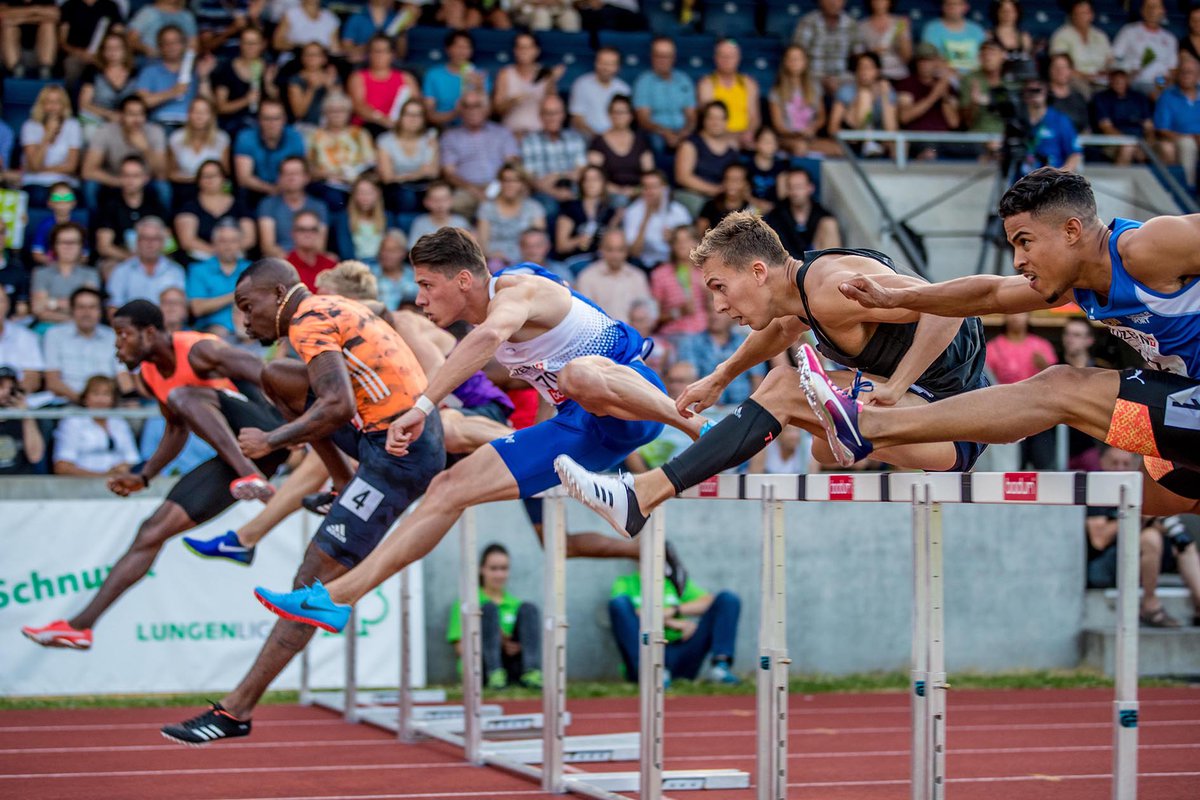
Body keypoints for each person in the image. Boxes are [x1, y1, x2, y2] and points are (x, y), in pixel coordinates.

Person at [252, 226, 706, 633]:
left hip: (634, 399)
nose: (422, 298)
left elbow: (488, 338)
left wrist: (422, 405)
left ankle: (699, 427)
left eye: (428, 286)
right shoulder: (480, 324)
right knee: (448, 488)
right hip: (582, 426)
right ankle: (338, 598)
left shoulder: (517, 290)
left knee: (577, 376)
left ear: (463, 280)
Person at [555, 211, 989, 538]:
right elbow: (781, 329)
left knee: (784, 387)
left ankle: (643, 494)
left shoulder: (831, 287)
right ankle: (646, 491)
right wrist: (720, 377)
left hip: (955, 419)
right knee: (821, 445)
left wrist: (894, 387)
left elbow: (945, 305)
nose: (720, 307)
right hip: (927, 406)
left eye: (720, 287)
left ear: (758, 272)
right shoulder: (801, 295)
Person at [160, 257, 444, 743]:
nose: (244, 322)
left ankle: (234, 712)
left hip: (399, 455)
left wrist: (272, 443)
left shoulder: (310, 318)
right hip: (387, 438)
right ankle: (340, 482)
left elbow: (338, 406)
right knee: (276, 377)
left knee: (307, 585)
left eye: (248, 308)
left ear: (279, 294)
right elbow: (332, 400)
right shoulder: (326, 309)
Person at [819, 167, 1200, 517]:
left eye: (1025, 242)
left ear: (1071, 231)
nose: (1018, 260)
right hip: (1186, 405)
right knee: (1159, 497)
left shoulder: (1147, 247)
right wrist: (896, 298)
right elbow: (991, 294)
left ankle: (873, 427)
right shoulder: (1075, 282)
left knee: (1060, 387)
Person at [20, 300, 284, 650]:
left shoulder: (198, 348)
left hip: (266, 433)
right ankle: (80, 626)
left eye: (123, 334)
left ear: (149, 332)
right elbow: (176, 430)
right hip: (239, 458)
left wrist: (297, 432)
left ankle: (250, 476)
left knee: (185, 394)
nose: (117, 344)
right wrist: (145, 476)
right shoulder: (150, 374)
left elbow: (266, 374)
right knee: (151, 531)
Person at [1085, 446, 1200, 629]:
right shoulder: (1097, 488)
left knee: (1184, 544)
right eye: (1114, 463)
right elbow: (1099, 540)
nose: (1120, 469)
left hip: (1145, 557)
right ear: (1102, 463)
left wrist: (1158, 520)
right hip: (1106, 563)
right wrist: (1136, 516)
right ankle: (1150, 605)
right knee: (1150, 539)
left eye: (1125, 463)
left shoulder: (1142, 490)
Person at [608, 550, 741, 685]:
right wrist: (674, 623)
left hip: (681, 650)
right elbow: (623, 613)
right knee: (619, 604)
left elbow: (708, 601)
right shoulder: (625, 583)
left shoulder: (674, 583)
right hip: (647, 649)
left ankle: (720, 667)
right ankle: (650, 671)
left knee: (727, 599)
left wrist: (675, 610)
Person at [447, 543, 542, 690]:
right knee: (488, 609)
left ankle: (531, 673)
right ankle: (494, 674)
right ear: (482, 569)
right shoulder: (466, 603)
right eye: (493, 569)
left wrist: (517, 648)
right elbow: (460, 649)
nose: (499, 575)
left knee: (529, 609)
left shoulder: (515, 604)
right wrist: (494, 641)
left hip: (511, 666)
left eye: (504, 569)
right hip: (481, 667)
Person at [986, 312, 1058, 468]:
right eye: (1012, 313)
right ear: (1004, 317)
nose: (1016, 317)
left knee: (1044, 466)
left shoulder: (1041, 345)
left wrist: (1044, 366)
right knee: (1010, 467)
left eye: (1022, 313)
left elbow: (1057, 381)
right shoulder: (992, 348)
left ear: (1029, 316)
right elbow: (986, 382)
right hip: (1006, 414)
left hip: (1039, 414)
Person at [42, 287, 130, 404]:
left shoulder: (113, 336)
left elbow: (123, 376)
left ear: (100, 311)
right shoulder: (54, 335)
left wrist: (130, 400)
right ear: (72, 310)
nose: (86, 313)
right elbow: (52, 381)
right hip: (67, 403)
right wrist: (84, 401)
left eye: (92, 307)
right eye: (81, 307)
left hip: (106, 404)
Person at [439, 91, 519, 217]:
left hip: (500, 185)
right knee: (453, 204)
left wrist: (496, 188)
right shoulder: (450, 137)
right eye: (467, 106)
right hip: (466, 188)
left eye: (477, 105)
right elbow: (449, 173)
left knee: (515, 197)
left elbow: (512, 165)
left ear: (486, 109)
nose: (472, 110)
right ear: (461, 110)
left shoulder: (502, 133)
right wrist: (473, 190)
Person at [82, 96, 168, 210]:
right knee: (91, 186)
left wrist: (146, 149)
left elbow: (161, 174)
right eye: (131, 114)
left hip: (144, 181)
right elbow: (88, 171)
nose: (136, 119)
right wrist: (121, 182)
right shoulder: (105, 131)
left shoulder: (155, 132)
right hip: (113, 179)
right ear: (121, 116)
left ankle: (163, 223)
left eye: (140, 114)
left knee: (163, 188)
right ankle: (94, 223)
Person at [95, 156, 171, 273]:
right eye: (126, 175)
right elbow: (104, 246)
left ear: (145, 178)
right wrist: (132, 258)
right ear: (120, 177)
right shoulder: (110, 206)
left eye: (135, 176)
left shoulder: (155, 204)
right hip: (121, 259)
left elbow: (169, 243)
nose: (130, 180)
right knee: (109, 268)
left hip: (153, 258)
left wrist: (151, 259)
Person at [52, 375, 140, 476]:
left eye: (106, 394)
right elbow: (62, 466)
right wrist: (101, 476)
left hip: (118, 482)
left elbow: (133, 458)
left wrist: (123, 468)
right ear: (85, 398)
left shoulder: (119, 423)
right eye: (95, 394)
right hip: (81, 485)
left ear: (112, 399)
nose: (101, 400)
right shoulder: (72, 423)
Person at [307, 91, 377, 213]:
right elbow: (309, 168)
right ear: (325, 113)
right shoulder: (315, 136)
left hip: (357, 185)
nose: (337, 115)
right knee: (334, 197)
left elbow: (370, 164)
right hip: (328, 184)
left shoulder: (360, 134)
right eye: (332, 111)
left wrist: (355, 178)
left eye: (342, 110)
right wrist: (328, 175)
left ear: (349, 113)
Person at [175, 159, 256, 263]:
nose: (210, 180)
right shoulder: (188, 207)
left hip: (235, 257)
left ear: (223, 178)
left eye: (214, 175)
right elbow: (187, 241)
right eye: (205, 176)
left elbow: (249, 238)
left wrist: (229, 252)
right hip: (201, 259)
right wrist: (216, 252)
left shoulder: (239, 205)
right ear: (198, 180)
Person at [133, 25, 214, 128]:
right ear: (160, 46)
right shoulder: (150, 71)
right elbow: (140, 103)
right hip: (160, 124)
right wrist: (173, 92)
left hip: (191, 126)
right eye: (166, 43)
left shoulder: (195, 70)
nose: (171, 46)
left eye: (176, 42)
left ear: (183, 45)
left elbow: (209, 105)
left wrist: (203, 77)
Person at [520, 94, 588, 214]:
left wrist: (554, 176)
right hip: (543, 194)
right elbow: (531, 179)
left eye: (556, 113)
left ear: (563, 115)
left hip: (573, 192)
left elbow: (581, 173)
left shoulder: (575, 138)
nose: (552, 118)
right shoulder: (529, 141)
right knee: (549, 207)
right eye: (547, 113)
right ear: (540, 116)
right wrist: (554, 191)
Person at [233, 100, 307, 208]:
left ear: (284, 119)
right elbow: (244, 178)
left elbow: (299, 170)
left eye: (276, 118)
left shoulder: (294, 137)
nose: (271, 123)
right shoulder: (246, 137)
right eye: (266, 118)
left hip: (287, 188)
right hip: (256, 191)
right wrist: (272, 189)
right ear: (259, 120)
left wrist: (283, 188)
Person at [105, 217, 185, 315]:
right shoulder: (121, 271)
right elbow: (113, 308)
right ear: (137, 241)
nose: (150, 243)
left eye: (155, 239)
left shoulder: (176, 271)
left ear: (163, 242)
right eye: (145, 238)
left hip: (165, 327)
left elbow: (181, 310)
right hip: (131, 327)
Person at [19, 85, 83, 207]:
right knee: (38, 196)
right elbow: (34, 165)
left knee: (69, 198)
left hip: (64, 182)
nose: (53, 107)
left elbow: (71, 166)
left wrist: (42, 169)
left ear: (64, 105)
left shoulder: (73, 125)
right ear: (41, 105)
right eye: (49, 102)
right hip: (35, 182)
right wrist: (47, 135)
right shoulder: (30, 126)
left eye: (58, 102)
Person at [347, 34, 422, 137]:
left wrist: (401, 123)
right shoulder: (358, 77)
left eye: (384, 51)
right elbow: (359, 105)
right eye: (375, 51)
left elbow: (416, 104)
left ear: (392, 54)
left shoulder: (406, 78)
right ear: (369, 54)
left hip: (400, 126)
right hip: (368, 127)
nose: (379, 55)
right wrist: (382, 120)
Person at [632, 37, 696, 156]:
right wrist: (666, 133)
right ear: (652, 57)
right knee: (656, 143)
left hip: (682, 132)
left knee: (695, 143)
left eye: (667, 56)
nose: (663, 60)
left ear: (673, 57)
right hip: (656, 133)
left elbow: (691, 116)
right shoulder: (643, 82)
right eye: (659, 56)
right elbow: (643, 119)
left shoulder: (684, 80)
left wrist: (684, 132)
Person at [673, 102, 739, 216]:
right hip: (693, 195)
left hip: (722, 197)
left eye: (720, 118)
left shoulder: (732, 146)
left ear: (726, 121)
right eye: (711, 118)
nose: (716, 122)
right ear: (704, 120)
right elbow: (682, 177)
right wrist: (716, 190)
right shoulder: (690, 144)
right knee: (707, 210)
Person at [187, 219, 250, 337]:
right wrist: (235, 295)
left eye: (233, 241)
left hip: (248, 332)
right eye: (223, 241)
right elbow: (197, 308)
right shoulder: (199, 270)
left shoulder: (252, 269)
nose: (228, 246)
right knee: (218, 333)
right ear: (214, 243)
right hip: (212, 333)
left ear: (240, 244)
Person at [211, 25, 278, 135]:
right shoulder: (227, 69)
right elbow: (221, 107)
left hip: (263, 125)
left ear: (262, 45)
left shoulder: (269, 69)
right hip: (233, 125)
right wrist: (246, 100)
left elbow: (277, 103)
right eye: (247, 43)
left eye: (254, 43)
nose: (250, 47)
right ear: (240, 44)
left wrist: (268, 84)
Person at [257, 157, 329, 259]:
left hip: (309, 261)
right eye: (287, 173)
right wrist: (293, 261)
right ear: (279, 178)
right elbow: (268, 246)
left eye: (296, 173)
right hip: (280, 261)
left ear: (306, 177)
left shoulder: (319, 206)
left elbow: (320, 246)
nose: (291, 178)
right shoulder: (268, 204)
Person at [493, 31, 562, 137]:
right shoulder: (505, 73)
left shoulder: (545, 73)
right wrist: (513, 101)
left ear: (536, 51)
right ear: (515, 50)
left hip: (540, 135)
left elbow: (553, 108)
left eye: (528, 47)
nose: (523, 51)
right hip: (511, 133)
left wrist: (551, 81)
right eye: (520, 47)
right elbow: (497, 110)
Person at [896, 44, 961, 156]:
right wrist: (934, 95)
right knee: (930, 152)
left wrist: (944, 95)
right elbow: (904, 117)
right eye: (922, 61)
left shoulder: (946, 86)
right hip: (919, 137)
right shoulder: (907, 83)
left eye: (929, 61)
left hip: (945, 138)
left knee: (977, 150)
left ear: (936, 62)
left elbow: (954, 123)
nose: (925, 65)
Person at [30, 222, 99, 328]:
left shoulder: (90, 274)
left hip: (82, 328)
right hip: (48, 327)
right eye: (63, 242)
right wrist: (73, 314)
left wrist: (52, 303)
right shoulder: (41, 273)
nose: (68, 247)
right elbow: (39, 310)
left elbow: (89, 308)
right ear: (54, 246)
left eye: (74, 242)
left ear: (81, 246)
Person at [377, 99, 440, 215]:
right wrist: (418, 174)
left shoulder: (429, 139)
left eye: (418, 115)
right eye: (408, 114)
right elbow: (387, 177)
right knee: (407, 196)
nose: (413, 119)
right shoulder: (386, 140)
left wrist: (402, 176)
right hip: (396, 190)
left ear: (424, 119)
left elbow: (433, 172)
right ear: (400, 116)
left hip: (423, 188)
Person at [477, 164, 546, 268]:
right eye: (505, 180)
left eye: (514, 180)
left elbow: (540, 242)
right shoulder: (487, 208)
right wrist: (491, 255)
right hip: (496, 261)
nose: (509, 184)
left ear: (523, 183)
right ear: (500, 183)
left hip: (527, 260)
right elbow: (482, 244)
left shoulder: (534, 208)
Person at [587, 95, 653, 204]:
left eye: (622, 112)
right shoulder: (598, 142)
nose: (618, 116)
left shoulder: (641, 141)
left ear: (631, 116)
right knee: (620, 201)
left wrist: (635, 191)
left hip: (639, 191)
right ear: (609, 114)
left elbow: (649, 173)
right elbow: (594, 177)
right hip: (610, 193)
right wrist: (619, 191)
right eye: (614, 112)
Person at [575, 229, 651, 323]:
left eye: (620, 250)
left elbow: (648, 312)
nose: (615, 255)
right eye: (610, 250)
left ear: (626, 251)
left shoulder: (637, 276)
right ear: (601, 250)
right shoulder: (587, 277)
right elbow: (584, 317)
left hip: (633, 335)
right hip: (602, 335)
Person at [769, 46, 832, 158]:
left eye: (798, 59)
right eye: (791, 59)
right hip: (787, 139)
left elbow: (821, 117)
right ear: (785, 62)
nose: (795, 62)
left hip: (810, 137)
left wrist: (812, 128)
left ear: (805, 62)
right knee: (800, 147)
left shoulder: (815, 88)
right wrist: (797, 133)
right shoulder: (776, 92)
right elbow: (778, 125)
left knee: (841, 149)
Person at [696, 40, 761, 150]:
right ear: (715, 58)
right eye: (722, 56)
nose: (727, 60)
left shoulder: (749, 83)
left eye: (731, 56)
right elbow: (709, 121)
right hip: (717, 137)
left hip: (745, 138)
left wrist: (747, 134)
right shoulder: (706, 84)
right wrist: (731, 137)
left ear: (738, 58)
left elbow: (755, 118)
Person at [829, 52, 899, 153]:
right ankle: (868, 143)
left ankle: (872, 147)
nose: (864, 72)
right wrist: (848, 137)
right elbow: (832, 127)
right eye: (861, 67)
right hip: (852, 135)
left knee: (900, 146)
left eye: (869, 68)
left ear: (877, 71)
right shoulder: (846, 91)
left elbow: (891, 131)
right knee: (864, 95)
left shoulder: (887, 91)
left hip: (878, 139)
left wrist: (884, 96)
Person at [167, 97, 231, 208]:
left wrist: (208, 181)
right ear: (189, 114)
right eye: (196, 111)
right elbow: (171, 173)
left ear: (211, 116)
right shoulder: (176, 138)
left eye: (204, 112)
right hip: (185, 186)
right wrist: (197, 179)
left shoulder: (222, 139)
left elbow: (225, 172)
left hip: (214, 186)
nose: (199, 116)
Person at [624, 169, 692, 269]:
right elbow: (634, 252)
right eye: (645, 187)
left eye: (654, 187)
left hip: (672, 264)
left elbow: (690, 247)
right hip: (643, 264)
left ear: (665, 188)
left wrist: (672, 240)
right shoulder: (632, 212)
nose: (649, 192)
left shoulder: (678, 211)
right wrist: (646, 218)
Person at [764, 168, 841, 258]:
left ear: (810, 188)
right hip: (788, 265)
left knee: (829, 224)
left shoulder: (820, 214)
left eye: (799, 187)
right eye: (791, 187)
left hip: (816, 263)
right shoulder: (777, 215)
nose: (795, 192)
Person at [791, 0, 858, 97]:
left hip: (842, 77)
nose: (833, 2)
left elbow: (859, 56)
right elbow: (797, 54)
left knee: (858, 89)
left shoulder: (851, 25)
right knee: (808, 88)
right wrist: (823, 79)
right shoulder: (808, 22)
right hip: (813, 76)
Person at [423, 30, 490, 128]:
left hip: (474, 129)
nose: (462, 52)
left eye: (466, 47)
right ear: (448, 49)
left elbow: (487, 113)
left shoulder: (479, 75)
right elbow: (430, 115)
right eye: (458, 47)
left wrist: (480, 89)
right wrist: (455, 113)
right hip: (443, 128)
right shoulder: (434, 75)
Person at [555, 164, 615, 270]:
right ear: (581, 184)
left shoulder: (609, 210)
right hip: (577, 260)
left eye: (595, 179)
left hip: (603, 260)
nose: (591, 183)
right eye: (587, 179)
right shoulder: (570, 207)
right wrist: (577, 241)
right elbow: (561, 246)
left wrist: (616, 220)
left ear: (603, 183)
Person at [649, 225, 706, 337]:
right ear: (672, 245)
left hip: (705, 335)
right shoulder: (660, 274)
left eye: (686, 240)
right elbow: (653, 316)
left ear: (697, 243)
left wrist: (709, 295)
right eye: (677, 241)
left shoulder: (706, 272)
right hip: (674, 334)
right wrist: (678, 312)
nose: (682, 244)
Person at [77, 32, 137, 137]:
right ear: (103, 51)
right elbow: (84, 104)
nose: (113, 52)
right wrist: (108, 114)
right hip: (98, 119)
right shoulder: (93, 71)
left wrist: (124, 117)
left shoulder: (135, 73)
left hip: (128, 120)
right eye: (109, 48)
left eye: (117, 48)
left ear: (125, 50)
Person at [1112, 0, 1177, 96]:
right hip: (1134, 81)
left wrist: (1160, 87)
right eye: (1148, 7)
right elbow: (1115, 57)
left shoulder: (1170, 38)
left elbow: (1172, 70)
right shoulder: (1129, 31)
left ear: (1162, 11)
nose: (1152, 10)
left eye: (1155, 7)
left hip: (1159, 83)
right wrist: (1127, 74)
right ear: (1142, 10)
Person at [1092, 67, 1154, 166]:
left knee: (1163, 148)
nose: (1119, 84)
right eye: (1116, 81)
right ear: (1110, 81)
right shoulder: (1101, 98)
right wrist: (1131, 143)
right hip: (1113, 141)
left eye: (1122, 81)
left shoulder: (1139, 98)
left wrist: (1148, 146)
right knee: (1128, 147)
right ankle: (1118, 180)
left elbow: (1149, 126)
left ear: (1128, 81)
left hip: (1141, 141)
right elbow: (1106, 127)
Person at [1154, 56, 1200, 189]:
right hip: (1179, 138)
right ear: (1177, 75)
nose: (1186, 76)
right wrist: (1191, 137)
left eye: (1190, 72)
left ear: (1198, 76)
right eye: (1183, 72)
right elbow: (1162, 129)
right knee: (1187, 144)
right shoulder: (1168, 96)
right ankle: (1188, 189)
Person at [569, 47, 631, 138]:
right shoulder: (581, 84)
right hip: (586, 136)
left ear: (618, 67)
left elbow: (625, 121)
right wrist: (598, 138)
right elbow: (577, 119)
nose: (606, 67)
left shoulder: (624, 89)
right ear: (595, 63)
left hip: (614, 138)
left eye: (611, 64)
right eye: (603, 63)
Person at [1049, 0, 1112, 87]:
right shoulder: (1061, 35)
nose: (1083, 17)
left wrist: (1106, 72)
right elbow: (1059, 67)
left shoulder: (1100, 36)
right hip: (1075, 80)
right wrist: (1086, 77)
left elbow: (1110, 61)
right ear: (1073, 16)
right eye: (1079, 13)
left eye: (1086, 13)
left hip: (1101, 80)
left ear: (1092, 15)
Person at [921, 0, 986, 76]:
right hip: (944, 77)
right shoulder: (932, 29)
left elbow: (984, 56)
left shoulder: (976, 30)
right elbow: (930, 59)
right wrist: (956, 77)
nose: (952, 7)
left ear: (966, 7)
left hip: (974, 78)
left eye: (957, 4)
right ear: (943, 7)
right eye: (948, 4)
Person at [0, 284, 45, 394]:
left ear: (7, 305)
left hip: (15, 402)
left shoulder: (26, 337)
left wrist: (9, 395)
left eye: (0, 301)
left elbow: (33, 378)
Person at [0, 366, 45, 474]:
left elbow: (35, 457)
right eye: (1, 386)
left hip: (20, 483)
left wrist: (26, 415)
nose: (6, 393)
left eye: (11, 388)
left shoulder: (27, 419)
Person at [286, 43, 339, 129]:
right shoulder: (295, 80)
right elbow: (299, 113)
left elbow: (341, 106)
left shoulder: (332, 77)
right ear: (302, 58)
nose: (312, 57)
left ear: (324, 58)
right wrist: (311, 88)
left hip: (330, 127)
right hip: (306, 126)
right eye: (308, 54)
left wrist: (330, 86)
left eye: (316, 54)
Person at [0, 0, 58, 78]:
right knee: (9, 28)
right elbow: (4, 16)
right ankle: (16, 70)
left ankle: (45, 69)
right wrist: (36, 10)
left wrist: (19, 18)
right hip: (12, 53)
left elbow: (54, 15)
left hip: (39, 52)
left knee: (48, 25)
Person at [696, 163, 756, 237]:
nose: (731, 183)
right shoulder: (710, 206)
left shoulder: (751, 210)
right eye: (728, 178)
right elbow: (699, 235)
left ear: (746, 184)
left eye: (737, 180)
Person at [858, 0, 912, 82]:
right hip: (872, 76)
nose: (879, 1)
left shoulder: (900, 23)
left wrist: (902, 36)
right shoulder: (862, 26)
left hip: (898, 74)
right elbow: (858, 59)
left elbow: (907, 58)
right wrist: (873, 53)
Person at [286, 210, 338, 290]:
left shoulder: (331, 266)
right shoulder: (285, 268)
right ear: (293, 233)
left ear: (319, 233)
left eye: (313, 229)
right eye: (302, 229)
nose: (308, 234)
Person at [1047, 53, 1090, 138]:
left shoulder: (1078, 98)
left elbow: (1085, 127)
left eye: (1064, 67)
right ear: (1050, 70)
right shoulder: (1042, 96)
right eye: (1056, 67)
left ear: (1070, 71)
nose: (1060, 71)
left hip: (1076, 144)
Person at [272, 0, 340, 54]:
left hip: (321, 62)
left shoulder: (330, 18)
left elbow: (335, 49)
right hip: (294, 57)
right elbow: (277, 43)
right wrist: (301, 48)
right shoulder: (291, 14)